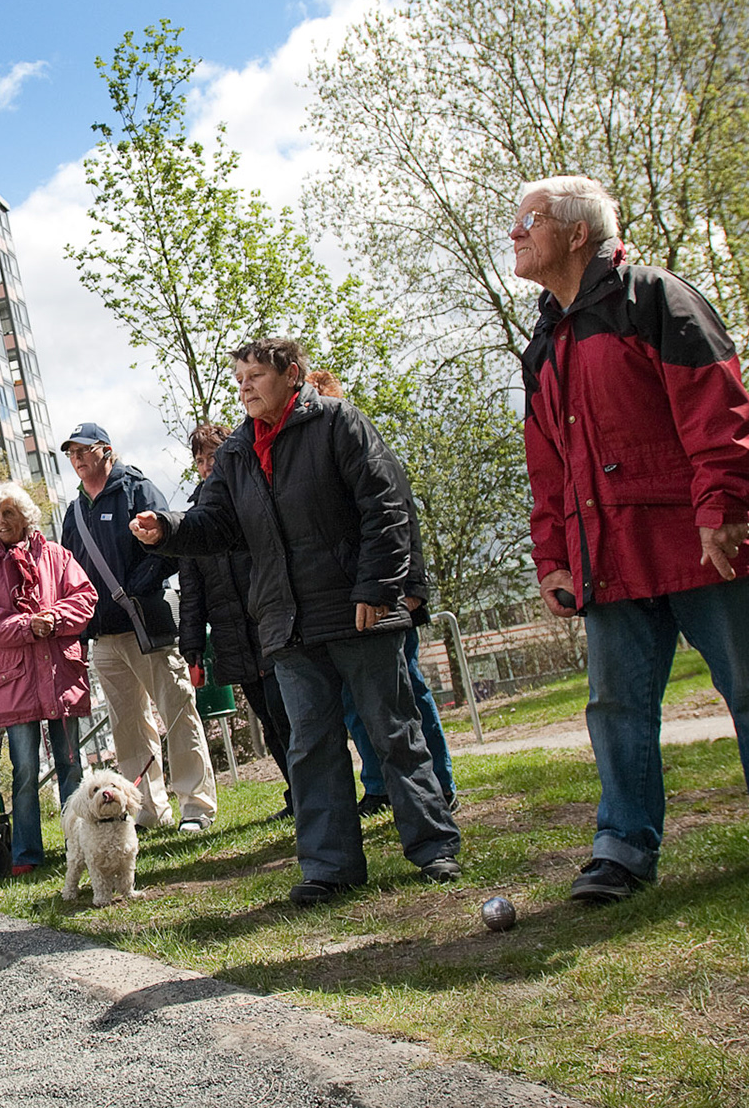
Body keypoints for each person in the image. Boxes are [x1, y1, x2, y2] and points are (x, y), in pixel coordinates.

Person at [513, 175, 749, 903]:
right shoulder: (545, 339)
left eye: (528, 219)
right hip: (608, 554)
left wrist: (722, 507)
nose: (516, 233)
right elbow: (548, 466)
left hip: (700, 542)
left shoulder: (656, 297)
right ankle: (622, 848)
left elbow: (718, 407)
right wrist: (553, 555)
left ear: (575, 232)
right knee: (616, 708)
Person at [133, 339, 462, 906]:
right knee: (310, 746)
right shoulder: (237, 452)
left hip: (359, 613)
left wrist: (378, 589)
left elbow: (385, 506)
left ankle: (434, 848)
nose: (245, 386)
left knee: (394, 733)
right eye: (239, 378)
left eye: (256, 375)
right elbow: (217, 525)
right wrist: (169, 530)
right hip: (285, 625)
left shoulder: (340, 423)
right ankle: (330, 868)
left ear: (293, 376)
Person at [300, 369, 458, 820]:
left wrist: (411, 591)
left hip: (390, 598)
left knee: (407, 697)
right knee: (355, 705)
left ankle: (439, 786)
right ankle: (378, 786)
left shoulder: (364, 445)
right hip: (344, 606)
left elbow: (399, 519)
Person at [57, 423, 218, 833]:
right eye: (70, 453)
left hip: (149, 627)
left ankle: (196, 809)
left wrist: (135, 589)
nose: (76, 459)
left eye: (83, 450)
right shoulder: (74, 511)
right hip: (105, 638)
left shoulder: (137, 490)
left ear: (105, 451)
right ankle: (147, 812)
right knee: (127, 728)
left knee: (177, 714)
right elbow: (69, 573)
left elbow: (170, 544)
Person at [0, 480, 99, 873]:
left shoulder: (55, 555)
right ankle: (26, 854)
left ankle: (82, 846)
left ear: (26, 517)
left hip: (58, 674)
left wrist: (54, 619)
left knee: (71, 763)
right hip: (15, 682)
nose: (2, 521)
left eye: (10, 513)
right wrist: (26, 626)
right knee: (24, 770)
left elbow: (85, 597)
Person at [180, 423, 293, 819]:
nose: (207, 465)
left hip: (271, 627)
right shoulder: (192, 516)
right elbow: (191, 589)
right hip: (232, 636)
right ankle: (297, 796)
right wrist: (191, 648)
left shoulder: (253, 494)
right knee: (269, 721)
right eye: (200, 459)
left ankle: (315, 795)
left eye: (213, 456)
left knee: (290, 715)